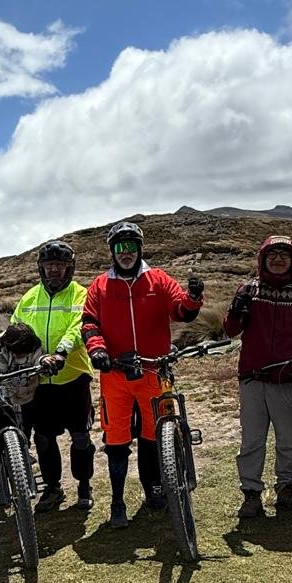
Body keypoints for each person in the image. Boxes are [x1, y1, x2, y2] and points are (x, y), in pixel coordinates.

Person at [82, 220, 204, 529]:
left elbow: (181, 311)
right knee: (117, 439)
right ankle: (118, 500)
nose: (126, 253)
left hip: (154, 371)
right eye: (120, 247)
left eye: (131, 247)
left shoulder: (158, 280)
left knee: (154, 435)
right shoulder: (99, 285)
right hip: (115, 375)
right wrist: (97, 350)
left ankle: (154, 488)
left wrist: (193, 297)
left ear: (139, 249)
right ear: (112, 251)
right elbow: (89, 323)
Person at [224, 235, 292, 519]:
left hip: (286, 379)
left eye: (285, 254)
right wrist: (236, 309)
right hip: (253, 379)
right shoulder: (248, 290)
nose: (279, 259)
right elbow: (231, 330)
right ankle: (252, 495)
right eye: (273, 254)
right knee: (252, 440)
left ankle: (287, 490)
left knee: (288, 440)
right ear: (263, 258)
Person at [11, 240, 96, 513]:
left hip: (72, 376)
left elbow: (78, 327)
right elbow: (16, 329)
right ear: (41, 269)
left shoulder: (81, 294)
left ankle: (84, 485)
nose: (54, 271)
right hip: (39, 380)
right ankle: (53, 488)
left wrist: (61, 352)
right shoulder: (29, 298)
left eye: (60, 266)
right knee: (44, 438)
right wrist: (6, 345)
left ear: (69, 268)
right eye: (49, 266)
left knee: (80, 436)